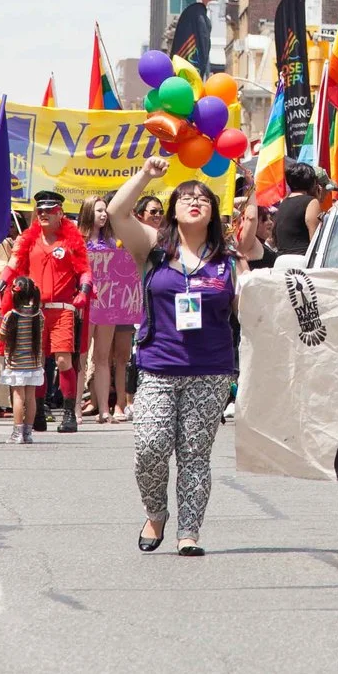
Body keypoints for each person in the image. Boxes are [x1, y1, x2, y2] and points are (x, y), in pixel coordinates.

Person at [112, 155, 251, 555]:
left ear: (213, 213)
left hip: (211, 371)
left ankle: (189, 531)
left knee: (194, 455)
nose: (194, 201)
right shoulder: (154, 248)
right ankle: (156, 512)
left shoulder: (228, 261)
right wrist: (146, 175)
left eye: (203, 198)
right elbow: (118, 212)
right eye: (186, 197)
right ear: (172, 210)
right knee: (150, 447)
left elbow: (250, 312)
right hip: (157, 367)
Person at [17, 191, 88, 433]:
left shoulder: (71, 241)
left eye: (49, 210)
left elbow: (84, 271)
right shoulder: (29, 239)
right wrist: (1, 290)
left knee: (63, 360)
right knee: (37, 362)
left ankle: (69, 414)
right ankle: (38, 411)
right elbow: (15, 267)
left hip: (62, 310)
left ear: (60, 213)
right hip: (35, 311)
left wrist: (84, 291)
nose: (44, 214)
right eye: (40, 210)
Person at [85, 191, 149, 424]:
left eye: (105, 211)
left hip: (107, 304)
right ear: (88, 212)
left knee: (103, 357)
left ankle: (104, 409)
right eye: (99, 211)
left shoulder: (112, 242)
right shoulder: (78, 240)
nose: (104, 215)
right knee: (81, 357)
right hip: (85, 304)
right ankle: (74, 409)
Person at [0, 273, 45, 444]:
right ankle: (28, 433)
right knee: (31, 398)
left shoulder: (11, 316)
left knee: (18, 397)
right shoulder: (38, 315)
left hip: (16, 364)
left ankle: (17, 433)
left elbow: (1, 336)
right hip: (33, 364)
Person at [269, 163, 322, 261]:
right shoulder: (311, 202)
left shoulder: (283, 203)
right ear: (312, 182)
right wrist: (317, 199)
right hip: (303, 261)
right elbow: (316, 240)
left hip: (281, 260)